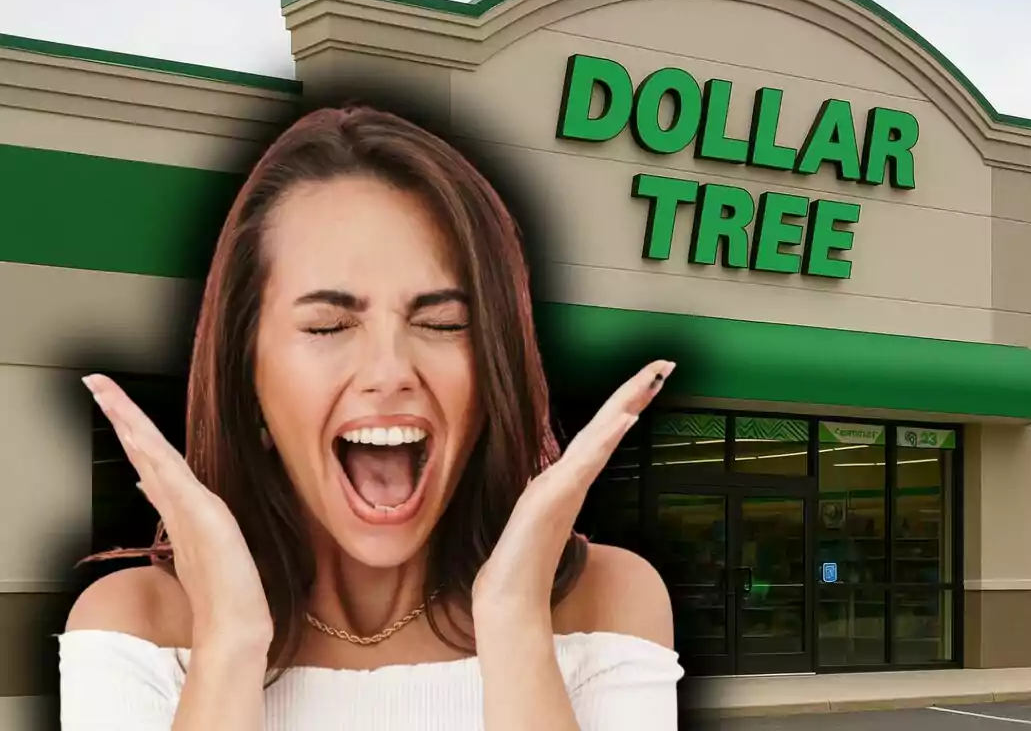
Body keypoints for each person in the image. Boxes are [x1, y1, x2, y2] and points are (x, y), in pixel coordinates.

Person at [58, 104, 683, 730]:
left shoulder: (608, 600)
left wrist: (515, 623)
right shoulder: (133, 626)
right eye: (329, 325)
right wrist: (229, 640)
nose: (390, 371)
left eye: (442, 324)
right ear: (246, 374)